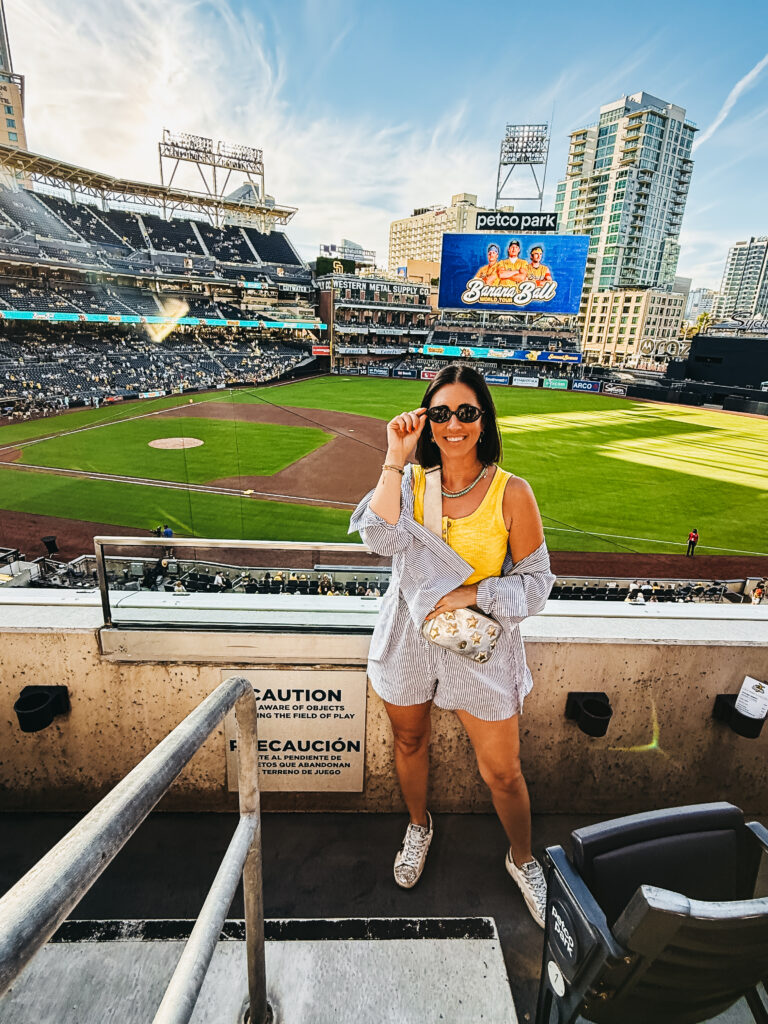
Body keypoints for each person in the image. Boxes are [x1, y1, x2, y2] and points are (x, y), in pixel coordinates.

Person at [349, 363, 555, 927]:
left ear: (484, 420)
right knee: (409, 740)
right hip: (409, 636)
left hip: (478, 640)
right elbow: (377, 538)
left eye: (466, 412)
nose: (453, 424)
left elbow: (537, 585)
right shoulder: (411, 483)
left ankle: (523, 859)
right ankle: (419, 826)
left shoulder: (512, 493)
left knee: (503, 772)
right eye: (440, 413)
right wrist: (395, 456)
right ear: (427, 420)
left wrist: (473, 592)